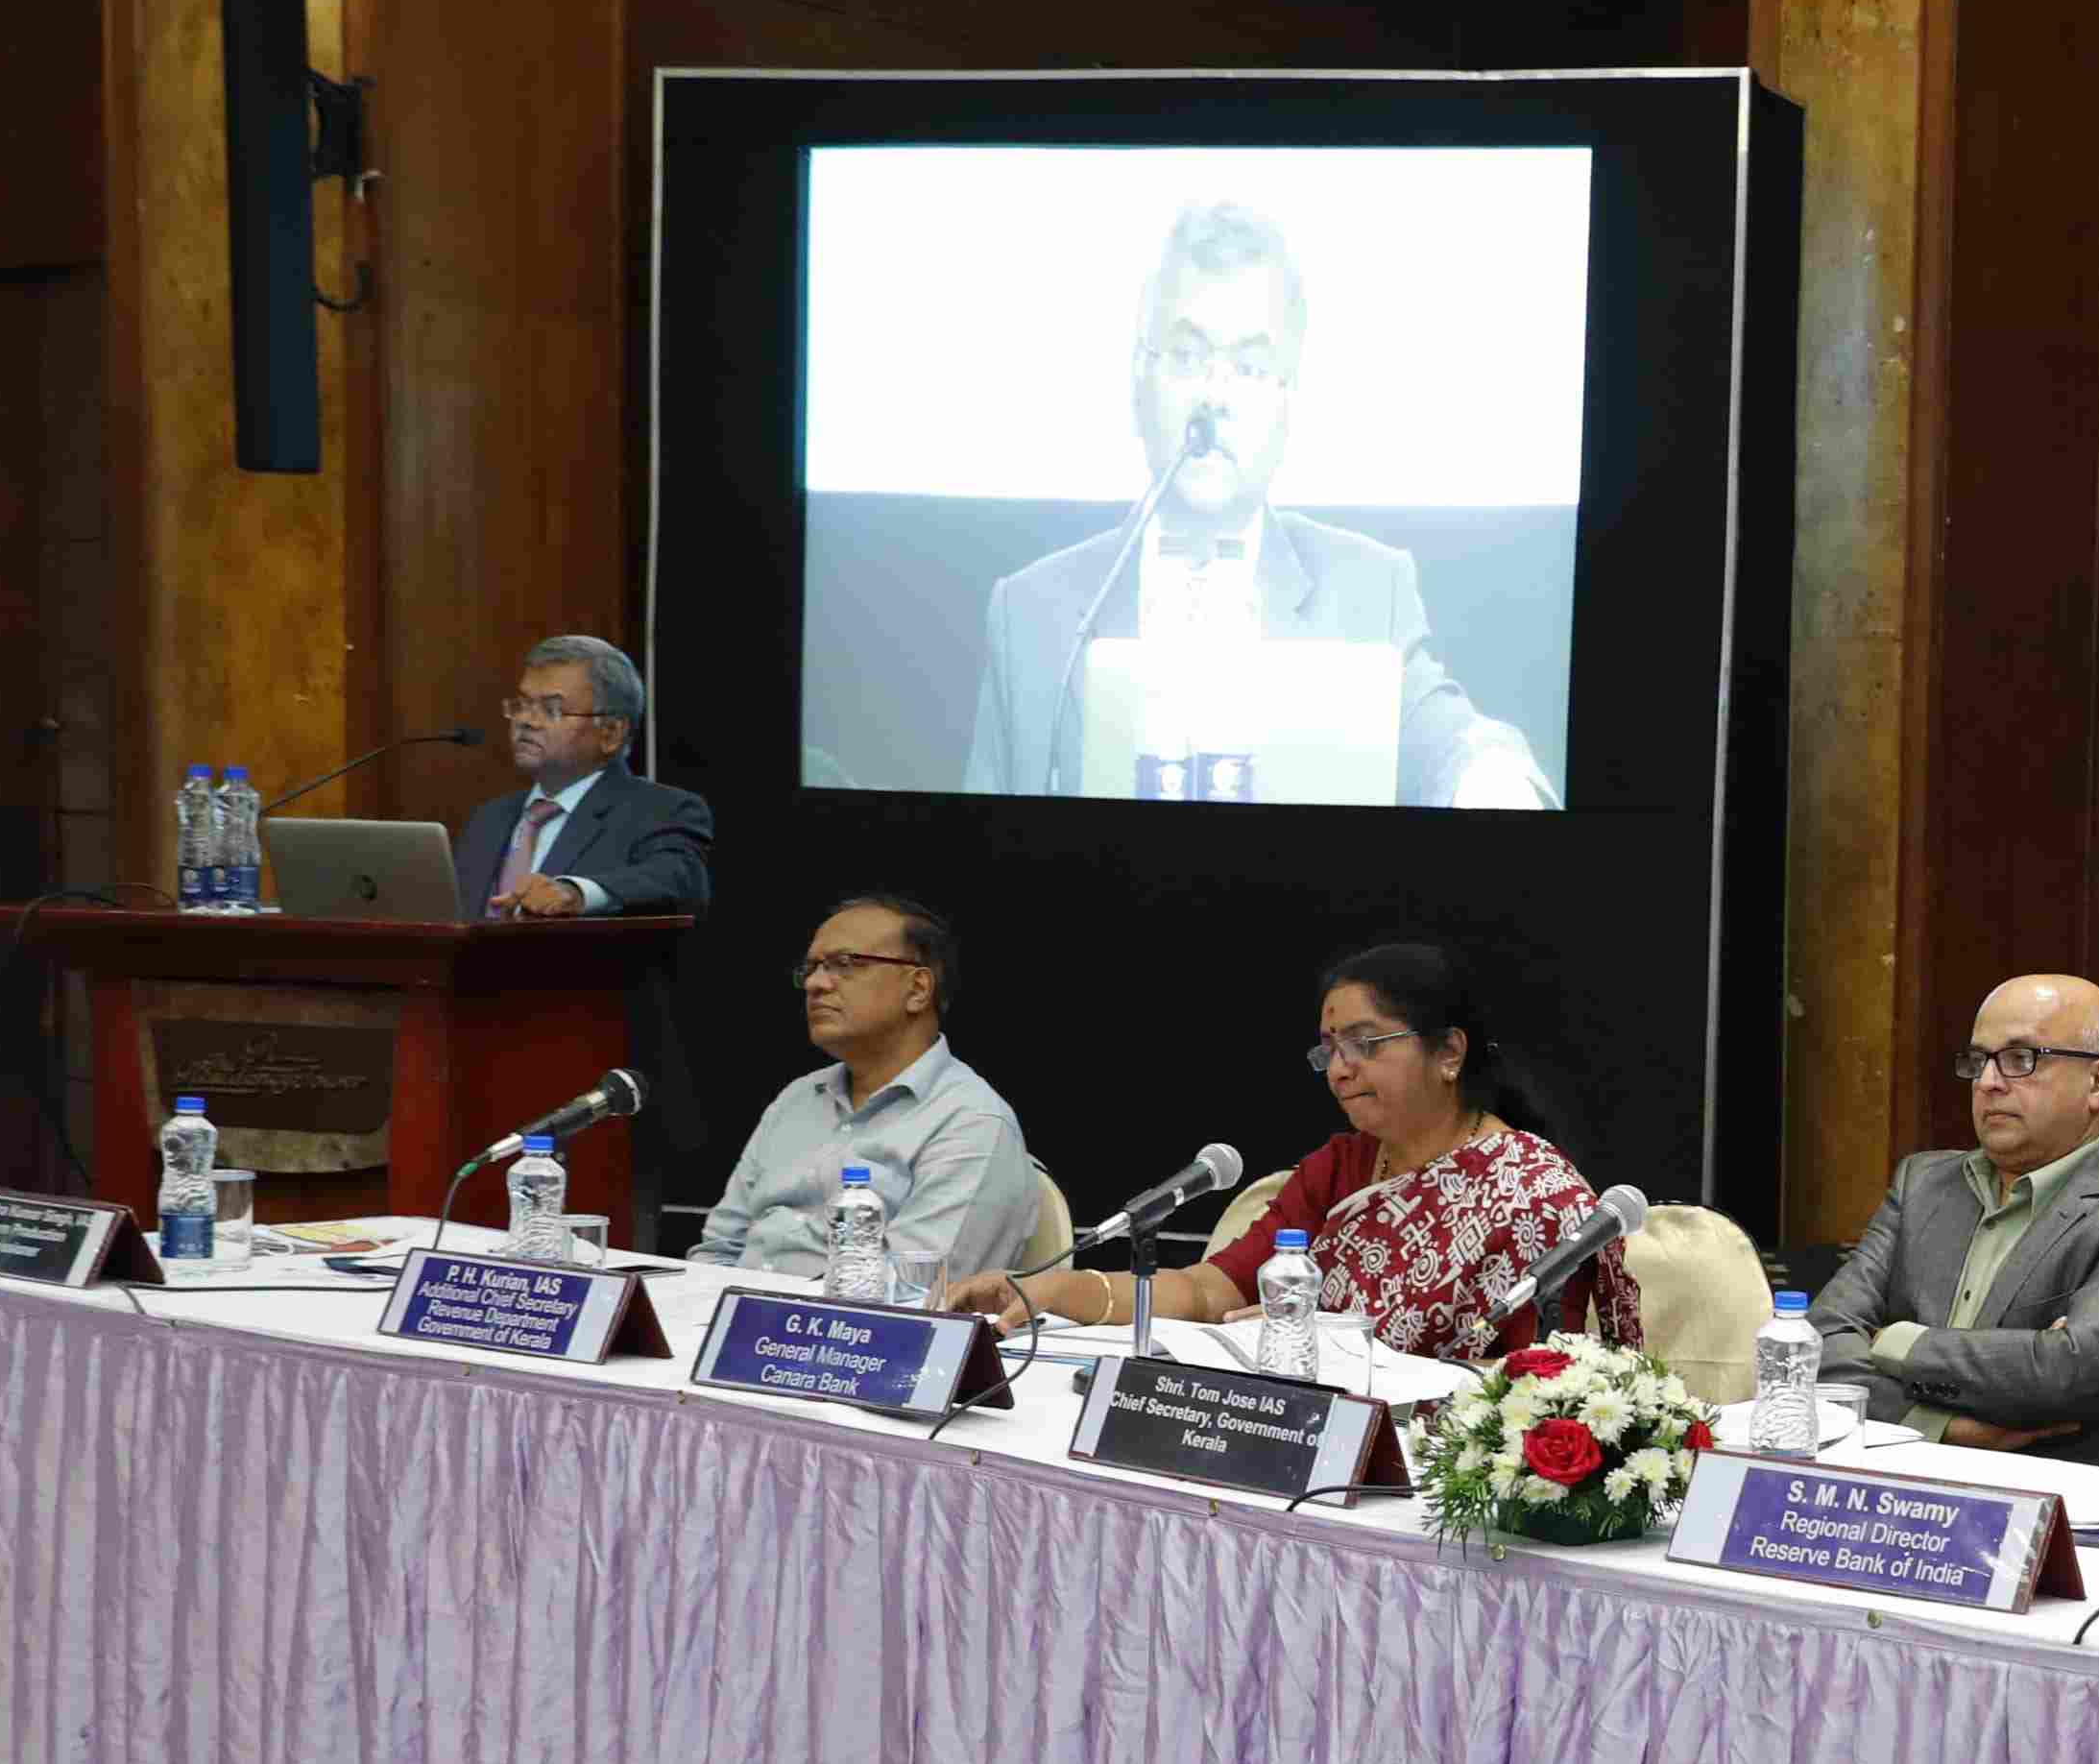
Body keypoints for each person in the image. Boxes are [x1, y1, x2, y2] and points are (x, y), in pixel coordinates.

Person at [957, 202, 1555, 810]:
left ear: (1289, 405)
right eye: (1187, 357)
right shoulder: (1029, 616)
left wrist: (1490, 779)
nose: (1213, 396)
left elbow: (1454, 739)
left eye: (1249, 367)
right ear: (1139, 382)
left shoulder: (1370, 594)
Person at [936, 938, 1635, 1365]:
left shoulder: (1534, 1194)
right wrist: (1055, 1290)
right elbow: (1211, 1292)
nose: (1340, 1069)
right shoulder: (1343, 1166)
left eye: (1365, 1043)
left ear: (1449, 1051)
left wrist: (1345, 1348)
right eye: (1329, 1049)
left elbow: (1535, 1380)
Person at [1811, 975, 2099, 1468]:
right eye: (1979, 1060)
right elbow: (1819, 1341)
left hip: (2059, 1497)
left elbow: (2073, 1373)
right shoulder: (1923, 1184)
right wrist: (1939, 1427)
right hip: (1897, 1485)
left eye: (2021, 1059)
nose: (1988, 1082)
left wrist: (1896, 1341)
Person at [690, 895, 1036, 1289]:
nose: (816, 983)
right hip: (728, 1313)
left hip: (844, 1325)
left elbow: (915, 1291)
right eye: (812, 968)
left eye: (846, 963)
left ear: (918, 989)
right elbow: (717, 1249)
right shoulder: (797, 1099)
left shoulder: (972, 1121)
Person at [454, 636, 712, 917]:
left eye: (552, 709)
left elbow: (678, 879)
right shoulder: (488, 818)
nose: (526, 721)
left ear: (611, 732)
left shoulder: (661, 811)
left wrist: (577, 894)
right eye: (522, 704)